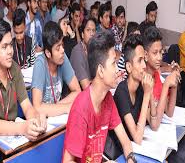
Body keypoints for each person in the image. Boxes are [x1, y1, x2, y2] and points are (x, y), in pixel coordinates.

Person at [0, 19, 46, 163]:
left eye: (10, 45)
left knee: (37, 153)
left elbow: (27, 106)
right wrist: (23, 128)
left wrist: (35, 121)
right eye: (4, 47)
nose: (10, 51)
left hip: (11, 137)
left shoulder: (15, 69)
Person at [63, 31, 135, 163]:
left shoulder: (107, 99)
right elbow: (67, 161)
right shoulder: (81, 108)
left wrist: (130, 159)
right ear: (101, 70)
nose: (117, 70)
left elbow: (125, 141)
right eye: (113, 63)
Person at [106, 34, 153, 158]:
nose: (144, 65)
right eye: (139, 60)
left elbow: (153, 123)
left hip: (133, 147)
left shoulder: (141, 88)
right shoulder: (122, 91)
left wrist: (149, 91)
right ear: (129, 67)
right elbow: (137, 137)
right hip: (120, 153)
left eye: (144, 60)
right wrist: (147, 94)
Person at [31, 21, 81, 117]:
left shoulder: (62, 58)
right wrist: (66, 108)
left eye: (62, 45)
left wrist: (55, 107)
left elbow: (77, 91)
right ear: (48, 53)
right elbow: (37, 107)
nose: (62, 50)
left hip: (57, 117)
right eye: (58, 48)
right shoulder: (40, 64)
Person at [144, 26, 180, 130]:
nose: (160, 57)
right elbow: (155, 125)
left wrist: (174, 78)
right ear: (145, 55)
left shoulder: (156, 75)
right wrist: (166, 85)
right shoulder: (143, 81)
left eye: (161, 52)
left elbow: (169, 112)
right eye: (155, 53)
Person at [70, 18, 96, 90]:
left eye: (93, 31)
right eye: (88, 30)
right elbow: (86, 87)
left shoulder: (93, 50)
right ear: (82, 35)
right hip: (80, 96)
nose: (91, 34)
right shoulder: (77, 52)